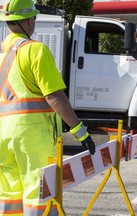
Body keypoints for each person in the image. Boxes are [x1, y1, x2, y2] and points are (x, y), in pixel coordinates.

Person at [0, 0, 96, 215]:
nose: (34, 22)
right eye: (33, 18)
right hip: (30, 135)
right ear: (26, 20)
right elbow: (53, 95)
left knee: (9, 194)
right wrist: (80, 132)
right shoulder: (35, 50)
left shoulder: (2, 54)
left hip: (2, 135)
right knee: (39, 193)